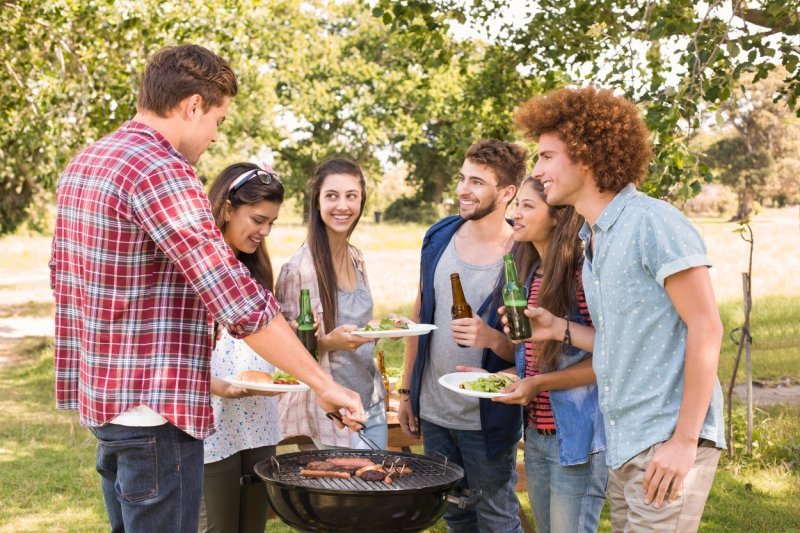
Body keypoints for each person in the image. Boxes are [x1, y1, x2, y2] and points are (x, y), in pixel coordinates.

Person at [49, 44, 363, 533]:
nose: (216, 136)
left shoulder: (87, 162)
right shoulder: (162, 170)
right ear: (193, 105)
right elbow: (235, 299)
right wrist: (323, 383)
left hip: (107, 410)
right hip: (156, 418)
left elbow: (63, 281)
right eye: (217, 119)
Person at [514, 86, 725, 532]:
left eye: (547, 156)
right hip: (625, 442)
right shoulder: (596, 239)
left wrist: (685, 441)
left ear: (585, 155)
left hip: (665, 439)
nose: (538, 170)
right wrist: (558, 329)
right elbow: (621, 343)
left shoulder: (653, 222)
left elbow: (707, 327)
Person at [397, 139, 528, 532]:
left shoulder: (522, 253)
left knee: (496, 517)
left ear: (506, 193)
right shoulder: (439, 236)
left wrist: (491, 339)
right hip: (435, 413)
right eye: (462, 178)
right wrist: (407, 393)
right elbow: (420, 313)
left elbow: (529, 348)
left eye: (476, 182)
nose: (462, 190)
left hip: (488, 419)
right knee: (454, 513)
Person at [485, 177, 608, 533]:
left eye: (527, 206)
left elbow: (606, 358)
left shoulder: (579, 276)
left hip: (577, 438)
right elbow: (535, 360)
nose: (515, 214)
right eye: (516, 205)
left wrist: (538, 384)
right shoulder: (528, 274)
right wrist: (509, 376)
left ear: (556, 216)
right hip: (538, 436)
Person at [275, 157, 387, 449]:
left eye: (352, 196)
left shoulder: (357, 258)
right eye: (332, 196)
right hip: (332, 411)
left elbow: (360, 329)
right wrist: (328, 343)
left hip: (370, 399)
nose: (343, 205)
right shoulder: (298, 270)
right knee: (349, 493)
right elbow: (282, 351)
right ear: (317, 201)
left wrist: (380, 329)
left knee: (381, 492)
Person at [198, 162, 286, 533]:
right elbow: (171, 348)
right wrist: (213, 384)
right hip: (211, 422)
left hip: (257, 418)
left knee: (252, 525)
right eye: (257, 220)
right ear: (227, 208)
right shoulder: (196, 264)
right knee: (217, 526)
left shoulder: (256, 267)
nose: (264, 232)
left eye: (271, 223)